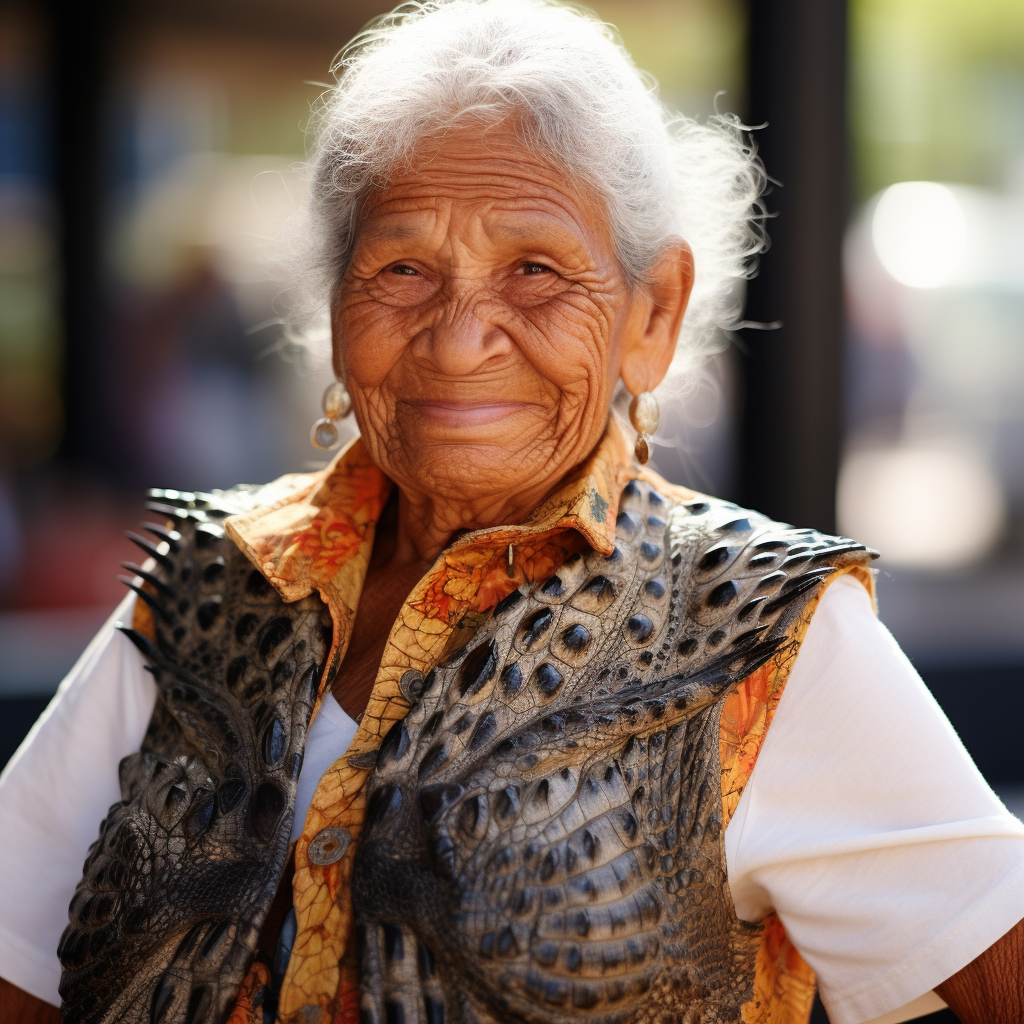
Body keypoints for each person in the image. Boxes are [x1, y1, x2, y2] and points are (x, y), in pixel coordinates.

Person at [2, 2, 1023, 1022]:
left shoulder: (760, 634)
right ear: (334, 301)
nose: (457, 342)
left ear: (651, 312)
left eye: (534, 270)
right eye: (402, 269)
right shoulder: (212, 582)